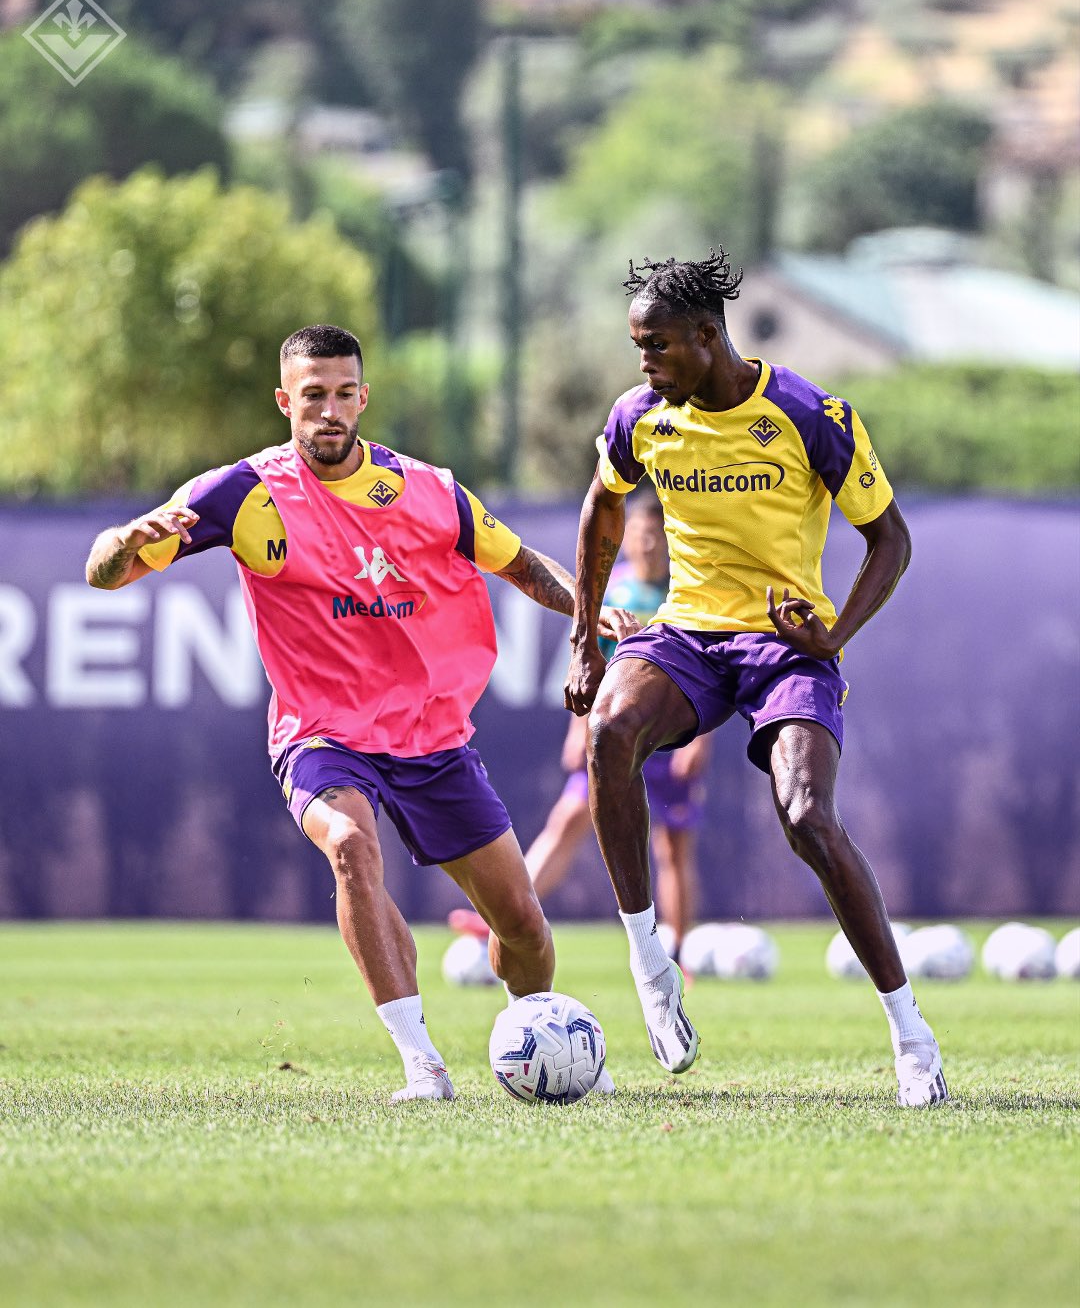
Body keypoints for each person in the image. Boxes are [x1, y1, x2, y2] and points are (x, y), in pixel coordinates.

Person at [86, 323, 630, 1102]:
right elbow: (106, 572)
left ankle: (541, 1040)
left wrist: (589, 612)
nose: (329, 411)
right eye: (313, 396)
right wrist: (119, 541)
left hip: (431, 734)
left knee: (523, 929)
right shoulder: (243, 494)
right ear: (285, 402)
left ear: (363, 398)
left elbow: (520, 565)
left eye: (344, 395)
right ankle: (423, 1066)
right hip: (321, 732)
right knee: (349, 844)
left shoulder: (429, 490)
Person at [564, 249, 948, 1107]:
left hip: (787, 648)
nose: (644, 363)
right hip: (691, 635)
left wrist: (833, 634)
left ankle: (910, 1036)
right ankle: (650, 965)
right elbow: (600, 505)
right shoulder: (639, 418)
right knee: (610, 732)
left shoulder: (811, 413)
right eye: (638, 348)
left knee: (808, 818)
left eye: (657, 346)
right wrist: (585, 639)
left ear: (708, 336)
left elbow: (891, 539)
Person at [450, 490, 708, 963]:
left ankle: (679, 952)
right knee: (567, 820)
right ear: (626, 539)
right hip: (616, 734)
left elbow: (707, 667)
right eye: (640, 534)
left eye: (657, 536)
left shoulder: (686, 595)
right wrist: (579, 730)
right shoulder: (614, 594)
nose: (648, 545)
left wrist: (702, 738)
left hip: (671, 737)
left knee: (672, 847)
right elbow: (595, 665)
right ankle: (507, 914)